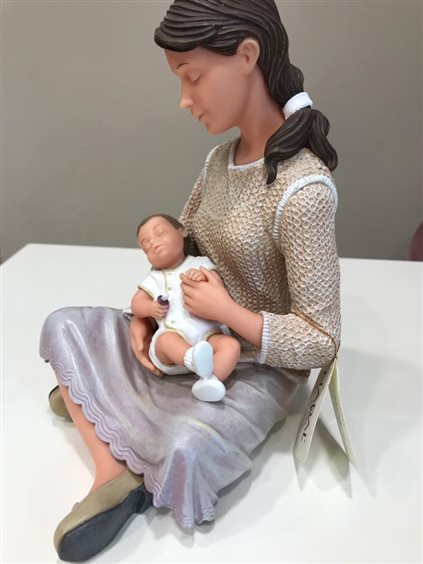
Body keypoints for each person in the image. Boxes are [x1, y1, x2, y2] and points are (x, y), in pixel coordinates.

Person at [40, 0, 342, 561]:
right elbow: (180, 250)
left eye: (193, 77)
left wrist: (229, 314)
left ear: (247, 55)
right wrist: (144, 313)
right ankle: (115, 461)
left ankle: (109, 424)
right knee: (64, 327)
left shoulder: (302, 190)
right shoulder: (217, 162)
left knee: (188, 446)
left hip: (247, 365)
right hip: (180, 329)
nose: (184, 98)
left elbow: (322, 339)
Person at [132, 213, 240, 401]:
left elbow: (217, 284)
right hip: (173, 344)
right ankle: (192, 358)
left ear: (182, 231)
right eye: (146, 245)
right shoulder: (155, 278)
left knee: (231, 346)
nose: (154, 244)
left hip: (208, 336)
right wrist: (150, 308)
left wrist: (203, 278)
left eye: (159, 233)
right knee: (166, 340)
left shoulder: (200, 263)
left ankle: (209, 381)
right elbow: (136, 304)